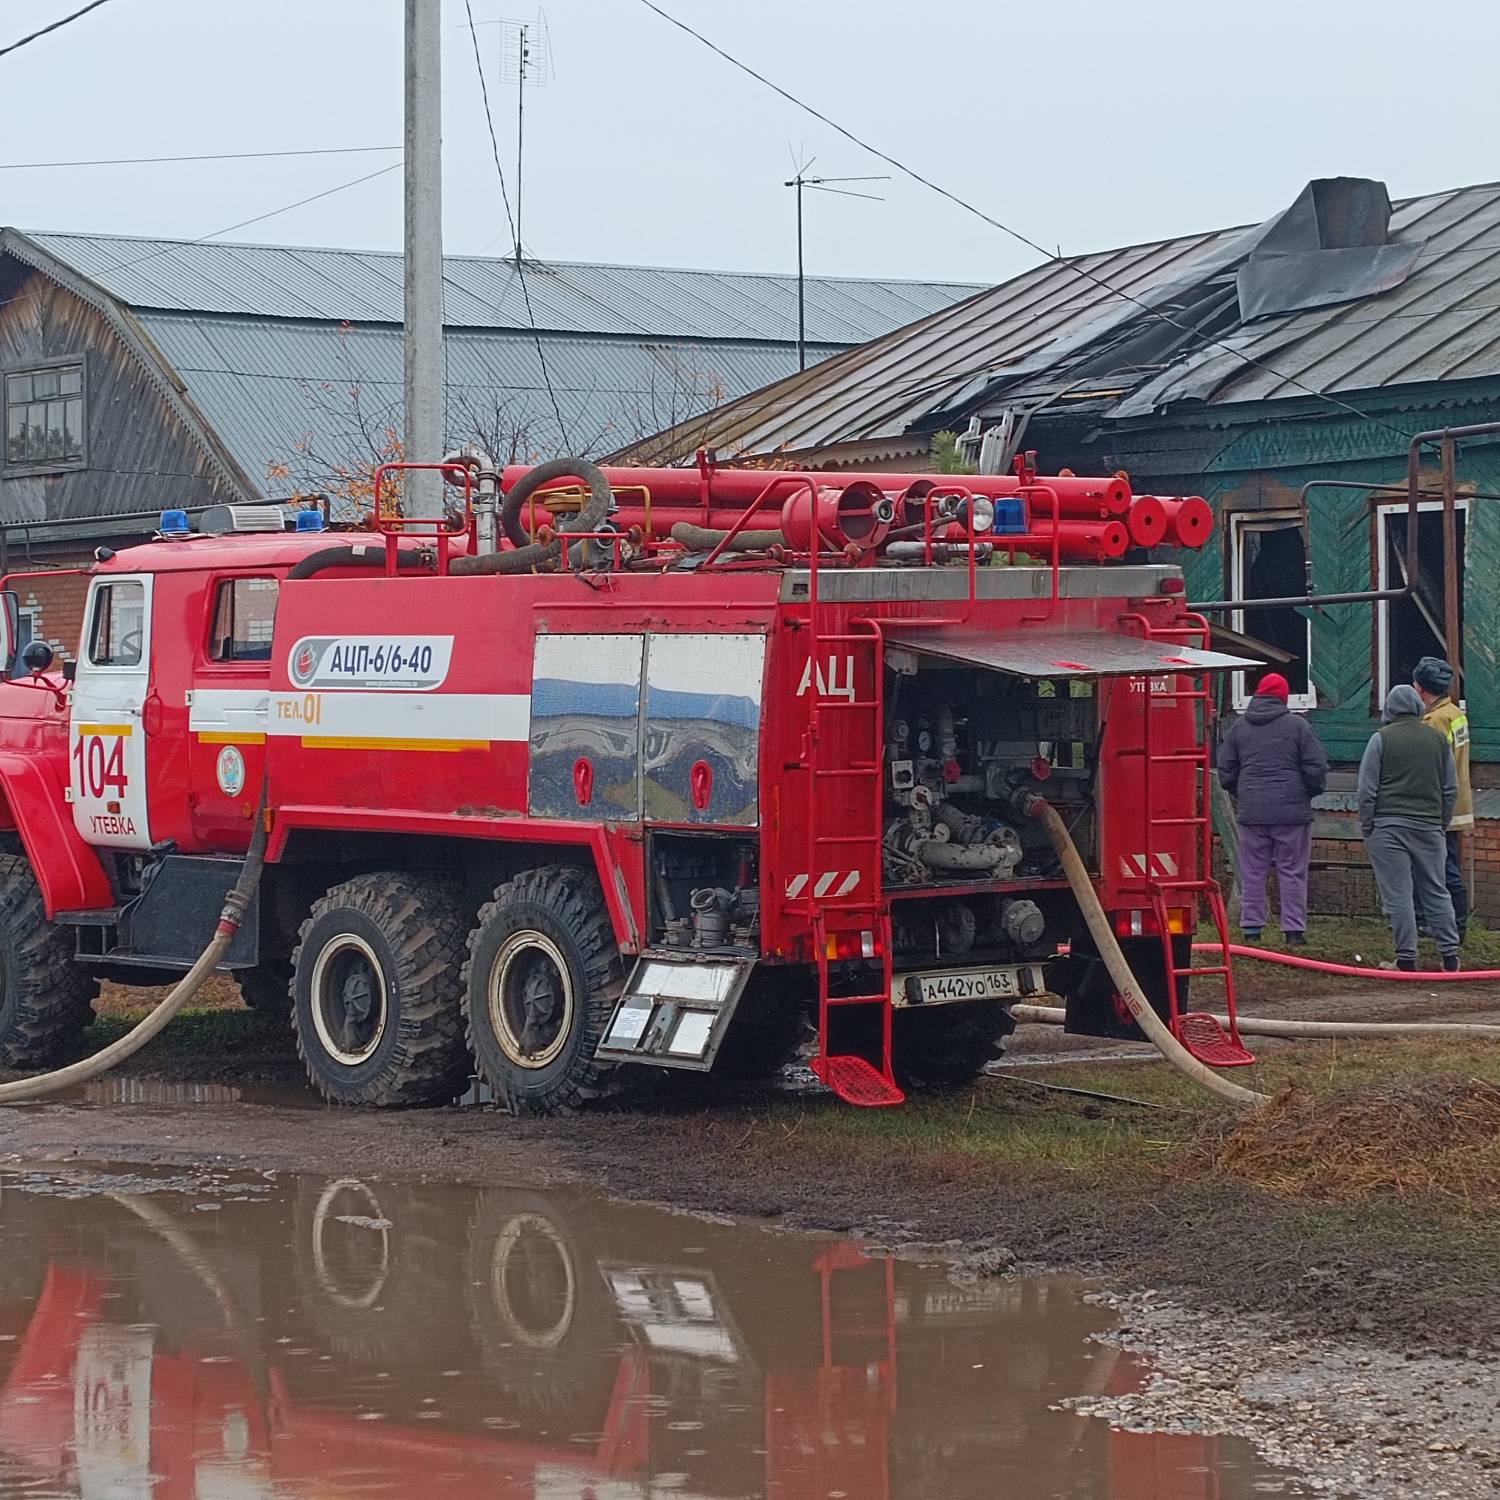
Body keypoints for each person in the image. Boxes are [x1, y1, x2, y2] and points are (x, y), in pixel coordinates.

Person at [1217, 671, 1329, 945]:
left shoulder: (1240, 728)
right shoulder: (1298, 726)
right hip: (1292, 813)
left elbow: (1226, 770)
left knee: (1253, 871)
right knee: (1292, 870)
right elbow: (1316, 767)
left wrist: (1243, 793)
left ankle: (1252, 929)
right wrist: (1307, 793)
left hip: (1252, 811)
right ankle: (1293, 931)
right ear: (1283, 697)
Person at [1357, 684, 1460, 972]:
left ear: (1390, 709)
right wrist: (1440, 823)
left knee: (1398, 894)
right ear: (1417, 706)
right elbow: (1450, 788)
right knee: (1436, 890)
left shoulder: (1381, 739)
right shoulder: (1438, 739)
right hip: (1429, 826)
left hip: (1387, 827)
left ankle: (1406, 958)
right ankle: (1450, 955)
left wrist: (1368, 826)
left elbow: (1367, 789)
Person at [1413, 656, 1471, 942]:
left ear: (1422, 689)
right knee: (1447, 863)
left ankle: (1451, 925)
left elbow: (1429, 765)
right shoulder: (1454, 713)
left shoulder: (1433, 720)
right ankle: (1457, 924)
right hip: (1457, 801)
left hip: (1438, 805)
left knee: (1442, 866)